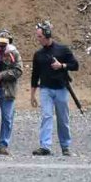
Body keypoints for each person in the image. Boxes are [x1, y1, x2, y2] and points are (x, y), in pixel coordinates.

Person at [29, 21, 79, 156]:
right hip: (45, 89)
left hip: (61, 89)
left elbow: (75, 65)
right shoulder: (38, 54)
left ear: (46, 35)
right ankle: (45, 146)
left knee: (63, 118)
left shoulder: (63, 50)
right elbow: (35, 75)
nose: (38, 39)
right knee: (46, 116)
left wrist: (62, 66)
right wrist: (32, 94)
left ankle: (65, 146)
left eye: (39, 36)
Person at [0, 31, 22, 154]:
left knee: (7, 118)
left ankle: (3, 145)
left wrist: (3, 75)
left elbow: (18, 71)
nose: (2, 45)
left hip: (7, 89)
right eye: (0, 42)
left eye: (4, 43)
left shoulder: (14, 53)